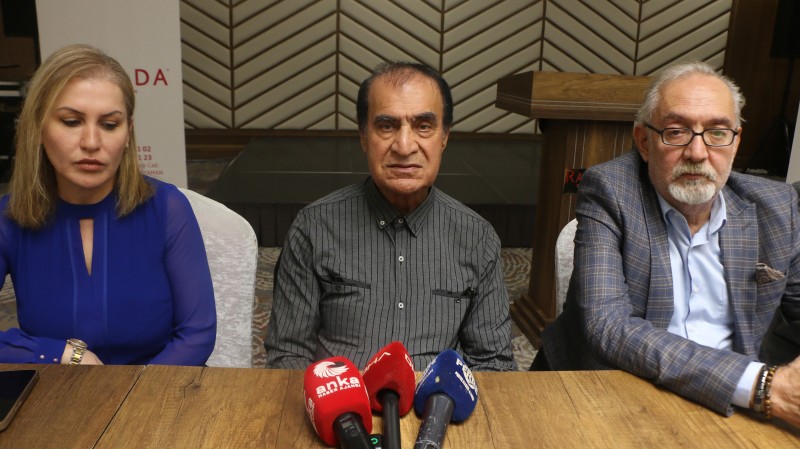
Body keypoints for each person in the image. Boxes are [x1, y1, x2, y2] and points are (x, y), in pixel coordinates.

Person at [537, 60, 800, 425]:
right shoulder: (610, 191)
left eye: (717, 132)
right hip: (614, 393)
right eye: (676, 132)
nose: (697, 153)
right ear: (644, 142)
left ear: (736, 141)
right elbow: (609, 326)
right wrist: (760, 384)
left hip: (731, 407)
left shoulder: (778, 206)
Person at [264, 61, 516, 371]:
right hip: (341, 396)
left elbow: (493, 361)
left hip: (436, 398)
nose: (404, 146)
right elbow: (287, 355)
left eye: (423, 126)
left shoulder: (477, 237)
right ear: (363, 136)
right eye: (387, 126)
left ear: (444, 136)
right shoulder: (313, 228)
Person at [0, 44, 216, 366]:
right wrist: (62, 354)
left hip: (160, 387)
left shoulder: (168, 208)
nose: (91, 142)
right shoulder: (9, 218)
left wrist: (132, 392)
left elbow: (197, 335)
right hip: (56, 388)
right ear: (39, 128)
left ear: (128, 133)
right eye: (71, 121)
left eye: (109, 124)